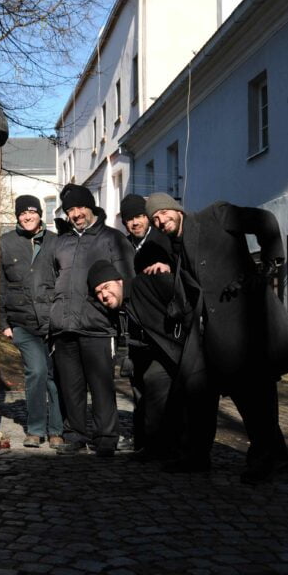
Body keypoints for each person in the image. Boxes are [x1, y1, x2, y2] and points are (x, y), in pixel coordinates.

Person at [146, 192, 288, 483]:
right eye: (155, 219)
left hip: (242, 327)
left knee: (254, 398)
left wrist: (267, 267)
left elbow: (265, 221)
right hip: (207, 334)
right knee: (197, 393)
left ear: (176, 209)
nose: (160, 220)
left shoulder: (215, 215)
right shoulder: (174, 246)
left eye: (163, 213)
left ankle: (271, 460)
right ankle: (195, 456)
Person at [50, 184, 134, 456]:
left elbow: (127, 280)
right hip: (64, 326)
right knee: (71, 387)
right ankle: (75, 435)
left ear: (91, 207)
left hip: (98, 325)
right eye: (70, 209)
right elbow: (51, 279)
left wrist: (115, 307)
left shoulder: (112, 239)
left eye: (80, 207)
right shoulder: (61, 242)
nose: (75, 214)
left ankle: (106, 437)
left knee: (101, 386)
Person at [0, 195, 63, 449]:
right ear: (17, 216)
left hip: (53, 322)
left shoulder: (56, 242)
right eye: (22, 213)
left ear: (40, 215)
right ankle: (35, 429)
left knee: (54, 375)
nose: (27, 217)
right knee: (36, 371)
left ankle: (56, 429)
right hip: (21, 322)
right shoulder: (5, 243)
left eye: (32, 212)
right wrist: (3, 323)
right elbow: (0, 285)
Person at [119, 194, 175, 460]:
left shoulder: (161, 240)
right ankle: (143, 442)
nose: (134, 222)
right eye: (129, 218)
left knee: (157, 388)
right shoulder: (125, 246)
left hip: (160, 328)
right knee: (139, 388)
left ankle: (158, 444)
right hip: (134, 329)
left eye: (139, 216)